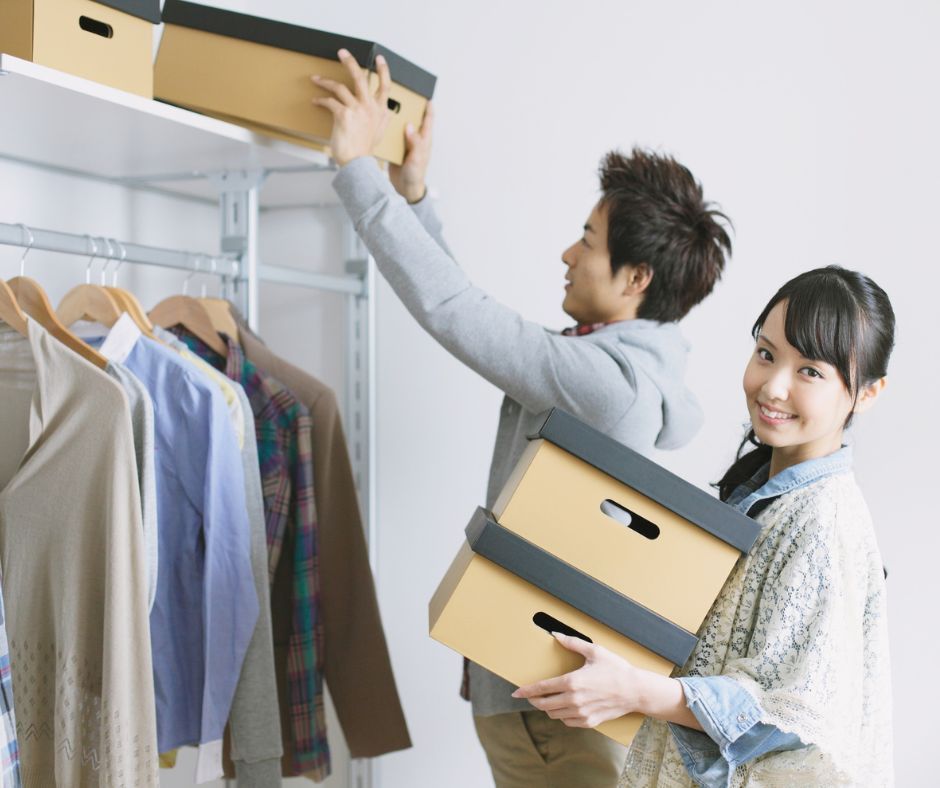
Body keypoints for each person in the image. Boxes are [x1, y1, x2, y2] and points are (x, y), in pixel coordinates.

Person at [313, 51, 732, 786]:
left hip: (547, 713)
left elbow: (458, 314)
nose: (568, 253)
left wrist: (356, 171)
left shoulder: (607, 385)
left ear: (636, 278)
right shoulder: (621, 369)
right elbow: (471, 311)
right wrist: (414, 198)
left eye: (588, 242)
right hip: (547, 700)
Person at [512, 266, 895, 786]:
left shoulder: (823, 519)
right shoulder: (769, 497)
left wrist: (634, 689)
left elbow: (790, 713)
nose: (773, 387)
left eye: (810, 371)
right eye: (766, 354)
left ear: (867, 393)